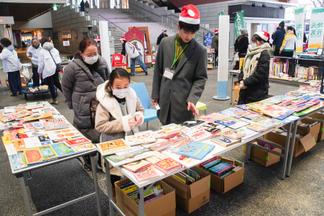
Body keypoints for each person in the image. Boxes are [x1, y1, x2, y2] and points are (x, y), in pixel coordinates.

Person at [152, 4, 208, 125]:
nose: (188, 36)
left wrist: (192, 99)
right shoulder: (165, 43)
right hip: (164, 98)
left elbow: (201, 78)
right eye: (185, 31)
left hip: (184, 102)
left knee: (183, 137)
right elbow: (158, 70)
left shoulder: (200, 51)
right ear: (178, 27)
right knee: (165, 133)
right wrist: (155, 94)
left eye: (192, 33)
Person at [62, 38, 109, 170]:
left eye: (95, 53)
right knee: (85, 133)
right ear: (81, 53)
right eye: (89, 55)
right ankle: (88, 161)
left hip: (101, 105)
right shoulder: (72, 67)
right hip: (83, 107)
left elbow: (108, 81)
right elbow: (66, 87)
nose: (93, 57)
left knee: (101, 130)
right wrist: (72, 105)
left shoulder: (102, 62)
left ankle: (101, 160)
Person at [95, 68, 144, 142]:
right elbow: (100, 126)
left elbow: (140, 109)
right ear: (111, 86)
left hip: (132, 138)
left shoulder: (132, 95)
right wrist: (123, 124)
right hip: (113, 140)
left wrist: (139, 116)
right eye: (118, 87)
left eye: (125, 86)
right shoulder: (104, 101)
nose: (122, 90)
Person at [238, 31, 271, 105]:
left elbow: (260, 74)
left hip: (256, 92)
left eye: (254, 41)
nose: (253, 43)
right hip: (245, 89)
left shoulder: (264, 54)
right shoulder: (250, 53)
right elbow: (243, 69)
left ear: (260, 42)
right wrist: (240, 80)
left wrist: (245, 82)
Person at [38, 37, 62, 104]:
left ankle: (54, 99)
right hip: (56, 69)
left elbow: (41, 64)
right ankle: (68, 95)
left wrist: (39, 72)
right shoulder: (54, 49)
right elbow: (58, 59)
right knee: (57, 83)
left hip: (48, 70)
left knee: (51, 84)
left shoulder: (42, 51)